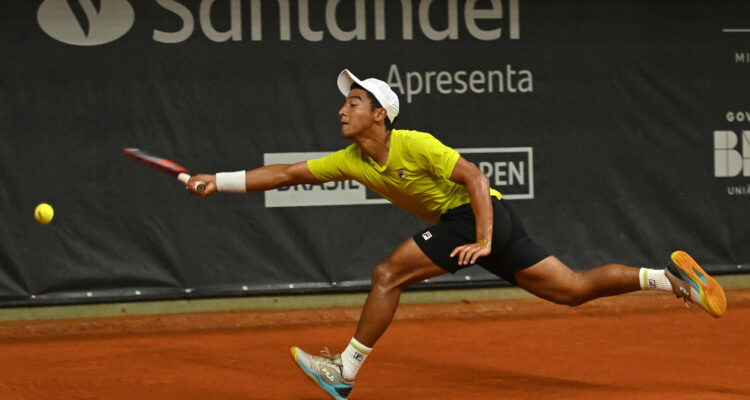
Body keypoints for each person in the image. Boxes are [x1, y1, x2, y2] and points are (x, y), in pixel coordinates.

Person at [187, 69, 727, 400]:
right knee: (573, 290)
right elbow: (285, 174)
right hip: (474, 227)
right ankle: (665, 277)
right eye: (345, 101)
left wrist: (486, 240)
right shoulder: (351, 159)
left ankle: (344, 371)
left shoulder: (415, 143)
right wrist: (220, 181)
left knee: (386, 274)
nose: (342, 108)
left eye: (353, 103)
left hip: (476, 218)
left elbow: (474, 177)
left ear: (380, 115)